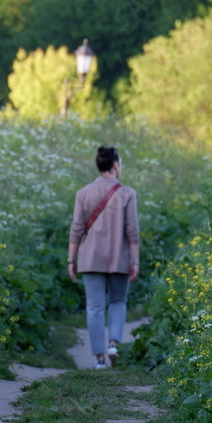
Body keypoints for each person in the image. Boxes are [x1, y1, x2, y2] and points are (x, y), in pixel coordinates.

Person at [67, 146, 140, 370]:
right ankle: (113, 344)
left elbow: (77, 229)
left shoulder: (83, 193)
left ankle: (99, 359)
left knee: (94, 308)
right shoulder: (127, 193)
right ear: (115, 165)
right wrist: (135, 261)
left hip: (90, 258)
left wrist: (71, 260)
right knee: (118, 301)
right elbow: (132, 230)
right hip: (119, 257)